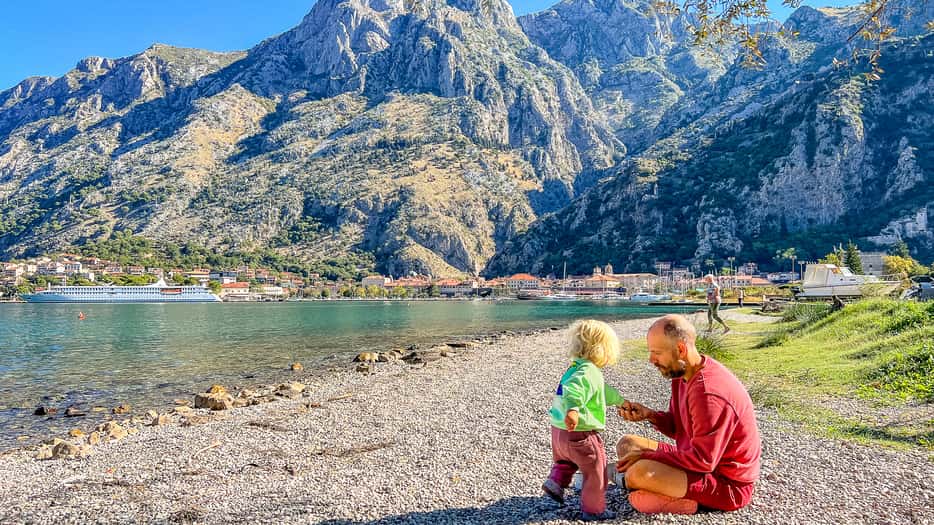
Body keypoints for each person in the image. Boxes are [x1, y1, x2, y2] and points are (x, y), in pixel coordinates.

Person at [615, 314, 760, 515]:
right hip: (696, 460)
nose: (651, 360)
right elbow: (678, 427)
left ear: (681, 349)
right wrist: (650, 415)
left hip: (726, 484)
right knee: (627, 444)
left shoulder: (708, 392)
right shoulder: (682, 373)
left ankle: (690, 501)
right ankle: (651, 486)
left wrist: (649, 457)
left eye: (656, 353)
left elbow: (704, 460)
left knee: (638, 474)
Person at [543, 319, 626, 521]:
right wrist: (574, 409)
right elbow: (574, 390)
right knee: (596, 471)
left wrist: (621, 402)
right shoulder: (588, 371)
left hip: (559, 432)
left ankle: (556, 481)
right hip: (581, 431)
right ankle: (593, 510)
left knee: (566, 460)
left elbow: (603, 392)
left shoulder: (576, 367)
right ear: (603, 349)